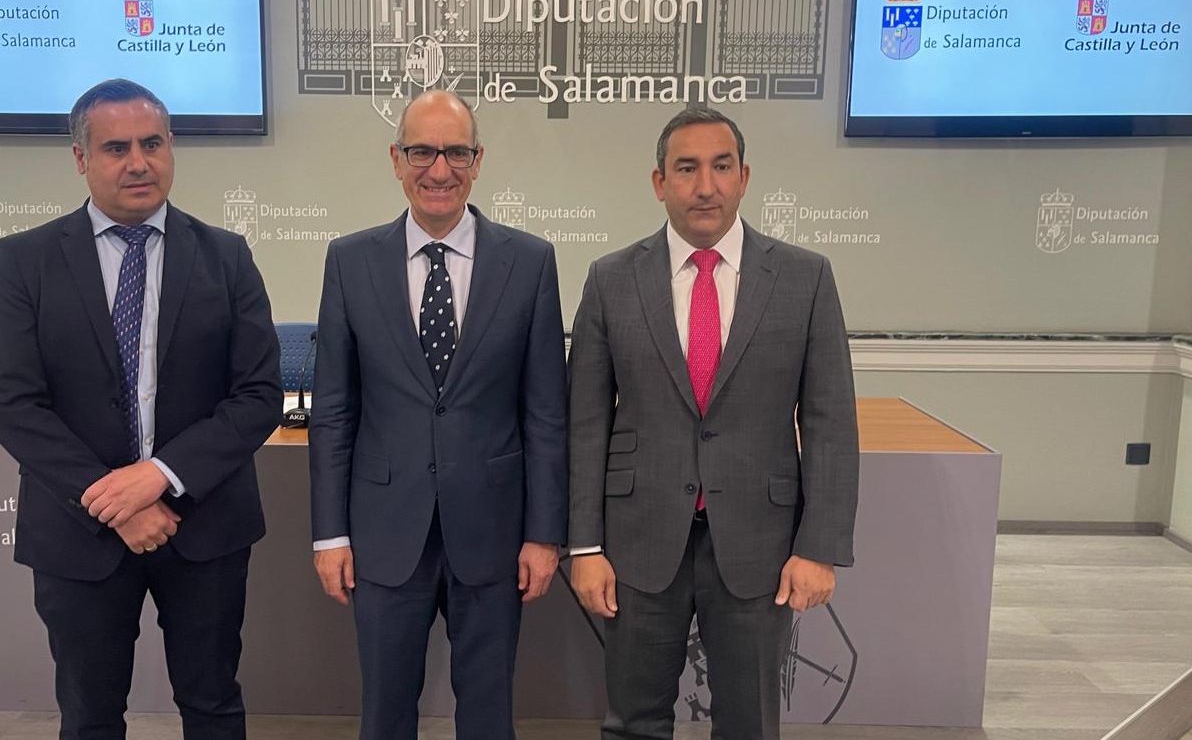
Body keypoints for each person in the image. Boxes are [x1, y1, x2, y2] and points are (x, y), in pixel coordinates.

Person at [0, 78, 281, 739]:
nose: (137, 162)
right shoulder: (24, 261)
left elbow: (257, 394)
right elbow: (13, 404)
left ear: (171, 148)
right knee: (90, 716)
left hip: (203, 525)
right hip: (78, 532)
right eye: (115, 147)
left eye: (151, 143)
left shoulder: (226, 257)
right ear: (81, 158)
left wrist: (161, 477)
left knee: (212, 705)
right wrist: (111, 497)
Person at [567, 106, 859, 739]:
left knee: (749, 725)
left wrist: (818, 547)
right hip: (639, 544)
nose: (706, 185)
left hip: (761, 544)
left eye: (721, 166)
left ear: (744, 177)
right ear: (659, 182)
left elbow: (831, 420)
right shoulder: (611, 280)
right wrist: (585, 546)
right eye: (688, 168)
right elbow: (585, 424)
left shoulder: (806, 278)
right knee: (633, 722)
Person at [308, 89, 568, 740]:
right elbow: (335, 410)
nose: (439, 169)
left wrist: (543, 533)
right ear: (396, 160)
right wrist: (329, 535)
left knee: (486, 717)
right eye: (422, 151)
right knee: (385, 715)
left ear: (477, 161)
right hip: (384, 534)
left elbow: (543, 413)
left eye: (455, 152)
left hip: (493, 532)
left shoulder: (530, 263)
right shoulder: (349, 261)